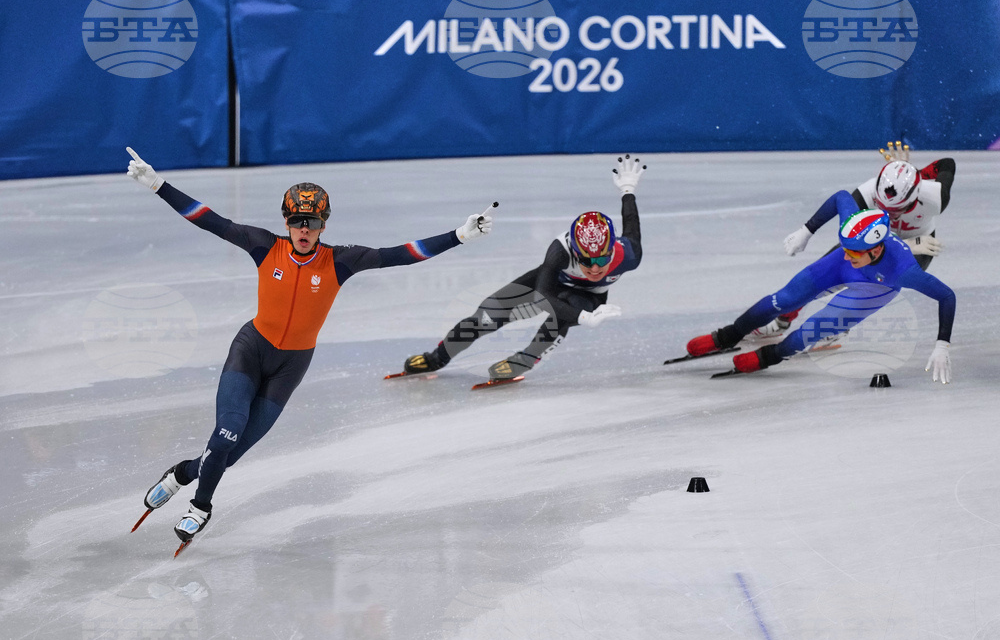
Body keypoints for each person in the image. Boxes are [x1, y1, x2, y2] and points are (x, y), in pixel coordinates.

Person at [124, 147, 494, 548]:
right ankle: (200, 507)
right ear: (286, 220)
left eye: (312, 222)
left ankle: (181, 473)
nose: (304, 229)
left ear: (323, 224)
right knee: (226, 433)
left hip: (290, 367)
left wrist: (459, 236)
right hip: (251, 350)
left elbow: (401, 255)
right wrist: (157, 184)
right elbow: (209, 220)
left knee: (227, 454)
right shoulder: (265, 245)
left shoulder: (341, 261)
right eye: (297, 221)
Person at [400, 154, 645, 382]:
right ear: (574, 252)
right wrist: (585, 319)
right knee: (485, 317)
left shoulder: (630, 254)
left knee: (561, 315)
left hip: (589, 297)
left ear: (612, 251)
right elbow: (542, 296)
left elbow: (631, 225)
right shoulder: (559, 251)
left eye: (601, 261)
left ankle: (524, 360)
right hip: (549, 284)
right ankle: (436, 358)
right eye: (585, 261)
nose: (594, 269)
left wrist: (627, 190)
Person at [685, 191, 956, 383]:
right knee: (784, 299)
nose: (848, 254)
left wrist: (942, 344)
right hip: (838, 268)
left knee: (812, 330)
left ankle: (772, 355)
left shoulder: (904, 271)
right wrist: (807, 230)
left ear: (875, 250)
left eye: (855, 252)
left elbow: (946, 296)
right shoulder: (851, 246)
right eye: (846, 248)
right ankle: (730, 335)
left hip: (874, 290)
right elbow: (840, 197)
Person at [755, 141, 956, 339]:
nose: (886, 214)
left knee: (874, 285)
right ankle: (783, 320)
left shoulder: (935, 198)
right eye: (880, 205)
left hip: (919, 242)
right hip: (874, 238)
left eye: (894, 211)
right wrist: (807, 230)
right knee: (821, 276)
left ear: (914, 199)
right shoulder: (865, 193)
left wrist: (912, 174)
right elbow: (846, 227)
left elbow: (948, 163)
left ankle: (838, 326)